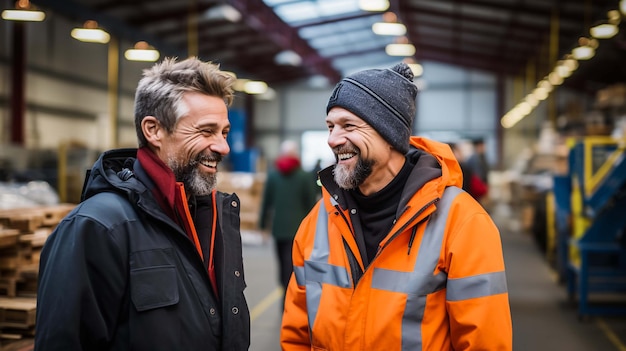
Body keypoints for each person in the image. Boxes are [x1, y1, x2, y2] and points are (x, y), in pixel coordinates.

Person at [280, 62, 512, 350]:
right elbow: (296, 336)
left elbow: (484, 342)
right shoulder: (319, 221)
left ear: (389, 134)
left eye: (348, 126)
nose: (333, 139)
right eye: (330, 126)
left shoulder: (462, 223)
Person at [35, 57, 250, 351]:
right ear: (154, 130)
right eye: (206, 131)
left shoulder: (214, 218)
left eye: (224, 132)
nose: (223, 147)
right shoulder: (98, 228)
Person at [259, 140, 318, 304]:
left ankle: (285, 294)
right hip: (299, 230)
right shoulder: (305, 176)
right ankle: (291, 297)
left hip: (279, 229)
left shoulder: (273, 175)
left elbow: (266, 202)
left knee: (282, 264)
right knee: (295, 265)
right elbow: (311, 204)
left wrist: (263, 226)